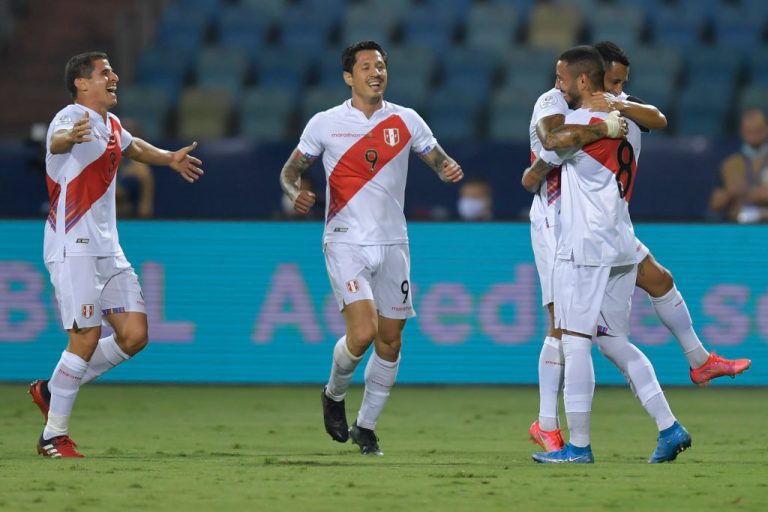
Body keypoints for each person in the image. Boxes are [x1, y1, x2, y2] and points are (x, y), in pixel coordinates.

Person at [526, 42, 750, 455]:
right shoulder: (627, 120)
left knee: (573, 339)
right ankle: (670, 428)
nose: (557, 84)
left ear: (581, 80)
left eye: (563, 78)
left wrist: (545, 160)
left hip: (586, 242)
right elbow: (656, 118)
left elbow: (553, 141)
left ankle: (577, 445)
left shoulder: (582, 118)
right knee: (614, 341)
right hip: (621, 242)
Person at [279, 41, 463, 456]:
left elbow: (437, 157)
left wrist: (446, 168)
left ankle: (367, 427)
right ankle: (333, 394)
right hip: (345, 238)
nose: (376, 72)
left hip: (393, 241)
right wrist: (295, 191)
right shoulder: (325, 123)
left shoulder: (406, 119)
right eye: (367, 66)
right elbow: (291, 169)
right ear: (349, 77)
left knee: (391, 341)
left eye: (381, 65)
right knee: (362, 333)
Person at [28, 51, 203, 458]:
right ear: (81, 84)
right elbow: (54, 139)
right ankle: (54, 436)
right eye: (104, 73)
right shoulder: (70, 117)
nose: (115, 77)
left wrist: (169, 159)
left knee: (134, 335)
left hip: (109, 249)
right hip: (74, 246)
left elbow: (133, 146)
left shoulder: (111, 124)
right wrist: (65, 140)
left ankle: (53, 389)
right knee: (85, 336)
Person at [709, 109, 768, 223]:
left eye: (758, 131)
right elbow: (715, 204)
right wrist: (730, 193)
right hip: (739, 226)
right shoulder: (730, 165)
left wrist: (759, 194)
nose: (754, 136)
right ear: (742, 132)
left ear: (766, 130)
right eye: (749, 131)